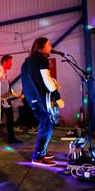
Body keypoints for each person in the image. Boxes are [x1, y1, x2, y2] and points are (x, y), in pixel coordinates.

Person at [21, 37, 64, 166]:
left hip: (32, 98)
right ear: (42, 46)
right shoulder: (41, 60)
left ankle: (42, 151)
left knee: (46, 124)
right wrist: (57, 96)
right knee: (46, 124)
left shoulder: (28, 62)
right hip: (39, 99)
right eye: (48, 44)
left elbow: (34, 81)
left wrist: (53, 83)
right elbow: (46, 80)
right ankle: (38, 157)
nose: (50, 46)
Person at [0, 54, 23, 144]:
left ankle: (11, 138)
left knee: (10, 120)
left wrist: (17, 95)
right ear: (4, 62)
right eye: (10, 62)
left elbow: (7, 89)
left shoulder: (4, 74)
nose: (11, 64)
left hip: (5, 102)